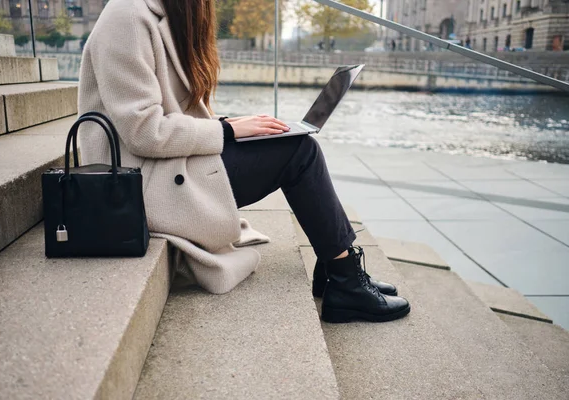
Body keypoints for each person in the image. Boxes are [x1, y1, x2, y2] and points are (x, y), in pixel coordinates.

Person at [77, 0, 410, 323]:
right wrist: (226, 130)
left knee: (293, 142)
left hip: (164, 164)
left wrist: (237, 126)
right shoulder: (128, 17)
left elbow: (169, 115)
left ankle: (336, 268)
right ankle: (345, 281)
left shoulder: (156, 11)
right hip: (138, 181)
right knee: (300, 152)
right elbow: (143, 131)